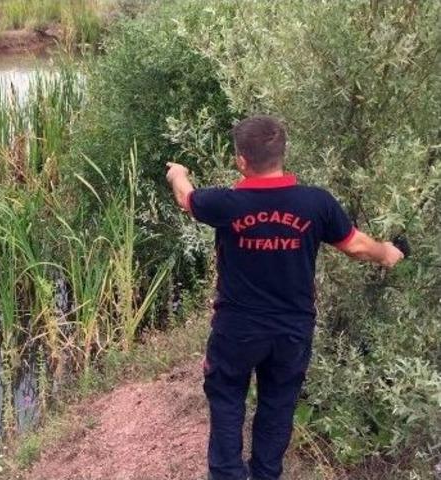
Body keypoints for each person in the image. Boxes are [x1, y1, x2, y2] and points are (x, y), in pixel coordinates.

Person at [165, 115, 404, 480]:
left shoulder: (226, 203)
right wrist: (388, 252)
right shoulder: (315, 203)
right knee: (277, 406)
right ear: (282, 153)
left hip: (237, 331)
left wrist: (177, 173)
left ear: (241, 161)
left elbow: (186, 198)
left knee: (228, 400)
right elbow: (357, 247)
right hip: (291, 332)